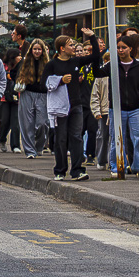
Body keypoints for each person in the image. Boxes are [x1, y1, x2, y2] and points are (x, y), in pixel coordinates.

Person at [46, 29, 101, 181]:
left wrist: (92, 37)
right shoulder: (52, 65)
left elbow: (96, 55)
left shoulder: (76, 61)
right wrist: (60, 80)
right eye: (70, 45)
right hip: (60, 108)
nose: (74, 47)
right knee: (61, 139)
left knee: (76, 137)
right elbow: (44, 84)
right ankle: (60, 170)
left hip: (75, 105)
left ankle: (77, 170)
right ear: (62, 48)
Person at [102, 34, 139, 177]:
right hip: (117, 108)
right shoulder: (113, 65)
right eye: (118, 48)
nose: (120, 50)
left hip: (136, 107)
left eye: (123, 48)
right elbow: (98, 73)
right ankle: (117, 167)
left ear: (130, 49)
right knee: (117, 138)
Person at [16, 38, 52, 158]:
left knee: (43, 123)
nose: (37, 51)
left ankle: (39, 146)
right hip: (27, 94)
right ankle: (30, 151)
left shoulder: (47, 64)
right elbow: (14, 73)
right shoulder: (25, 62)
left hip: (43, 95)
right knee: (27, 124)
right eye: (35, 49)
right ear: (31, 50)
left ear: (43, 51)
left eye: (39, 49)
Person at [0, 26, 26, 153]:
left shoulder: (22, 66)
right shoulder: (4, 66)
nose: (20, 57)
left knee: (15, 123)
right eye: (18, 55)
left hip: (17, 98)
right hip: (5, 97)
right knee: (4, 121)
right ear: (12, 56)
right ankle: (2, 138)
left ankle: (15, 146)